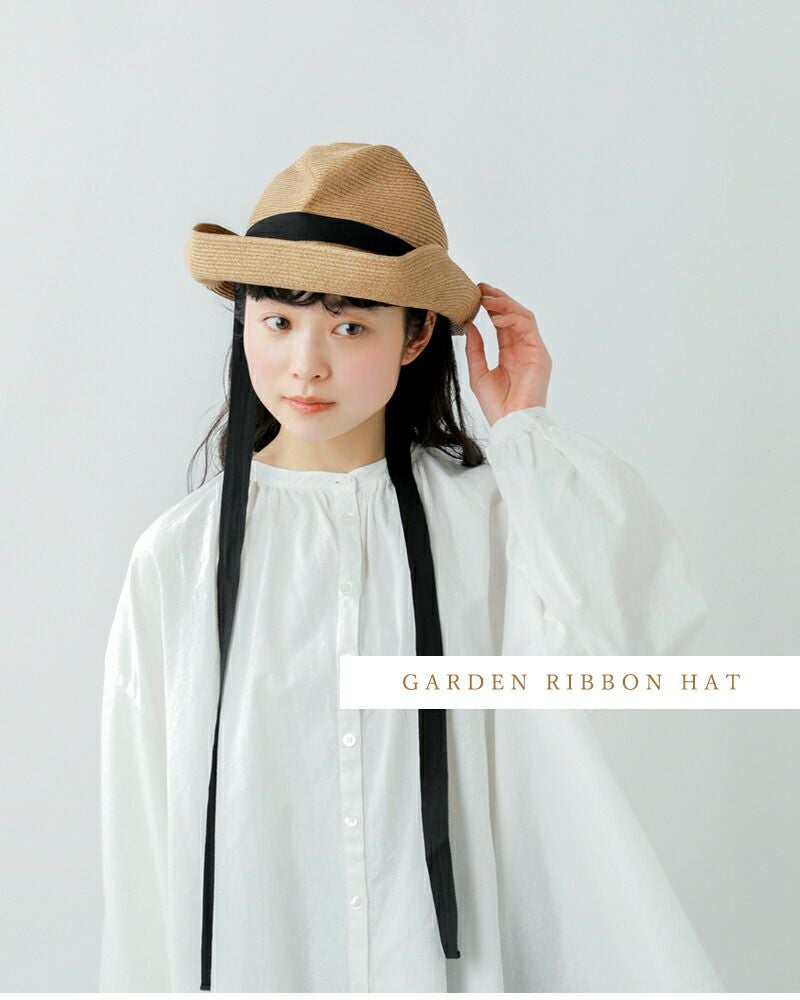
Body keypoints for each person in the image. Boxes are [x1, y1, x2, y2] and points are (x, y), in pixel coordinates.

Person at [100, 142, 724, 992]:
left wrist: (524, 430)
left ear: (417, 334)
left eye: (350, 325)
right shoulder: (178, 560)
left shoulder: (491, 518)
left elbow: (632, 646)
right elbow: (143, 834)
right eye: (277, 321)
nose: (306, 364)